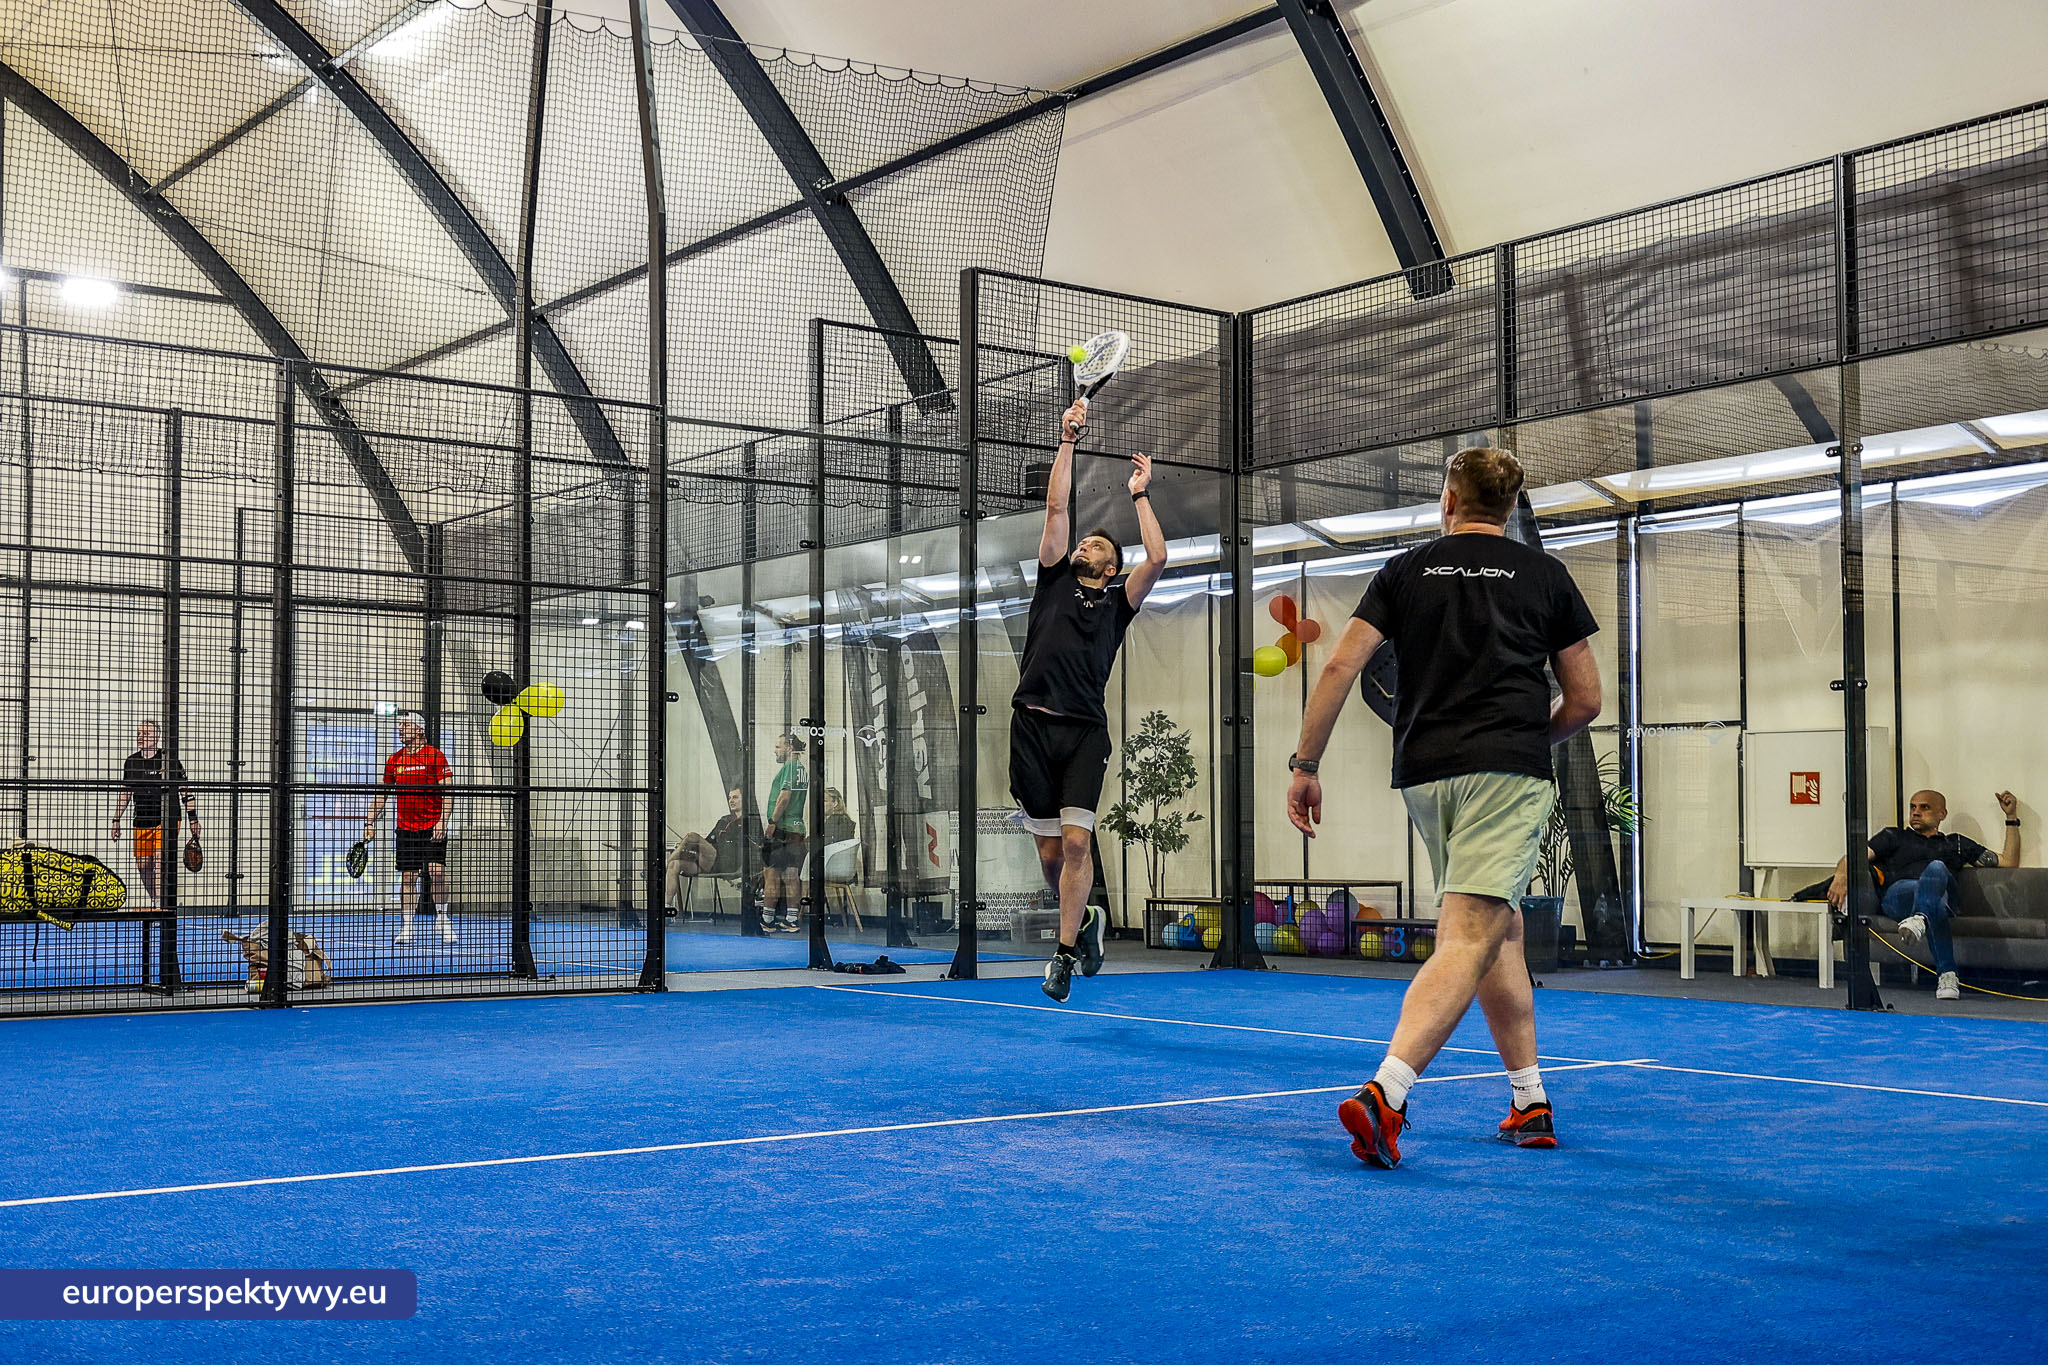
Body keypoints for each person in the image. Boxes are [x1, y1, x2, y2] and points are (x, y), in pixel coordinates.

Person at [1285, 447, 1602, 1169]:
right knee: (1470, 932)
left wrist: (1305, 766)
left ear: (1448, 501)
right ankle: (1386, 1096)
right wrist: (1529, 735)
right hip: (1505, 775)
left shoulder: (1406, 569)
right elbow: (1585, 700)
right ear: (1511, 506)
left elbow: (1340, 666)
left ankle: (1530, 1097)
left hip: (1426, 776)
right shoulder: (1547, 576)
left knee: (1502, 929)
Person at [1017, 396, 1168, 1003]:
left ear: (1112, 567)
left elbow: (1158, 557)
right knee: (1053, 858)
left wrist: (1139, 495)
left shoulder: (1117, 604)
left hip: (1083, 730)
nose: (1087, 544)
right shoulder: (1052, 578)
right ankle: (1085, 924)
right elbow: (1057, 505)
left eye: (1099, 545)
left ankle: (1062, 954)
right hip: (1030, 727)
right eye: (1084, 542)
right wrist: (1067, 440)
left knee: (1078, 844)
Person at [1827, 789, 2021, 1001]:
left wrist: (2011, 818)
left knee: (1937, 868)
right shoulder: (1893, 836)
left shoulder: (1956, 843)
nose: (1916, 812)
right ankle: (1947, 973)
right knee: (1933, 906)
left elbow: (2007, 861)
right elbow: (1855, 856)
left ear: (1942, 814)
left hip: (1946, 898)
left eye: (1924, 807)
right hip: (1900, 897)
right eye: (1913, 807)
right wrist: (1840, 875)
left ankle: (1920, 919)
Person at [364, 711, 455, 946]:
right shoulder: (394, 760)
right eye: (400, 725)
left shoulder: (435, 756)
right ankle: (407, 927)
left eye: (406, 725)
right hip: (406, 828)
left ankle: (443, 921)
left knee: (437, 873)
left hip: (433, 825)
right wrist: (369, 821)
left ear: (419, 730)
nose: (401, 729)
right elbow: (382, 794)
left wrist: (442, 822)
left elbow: (448, 792)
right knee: (408, 877)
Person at [110, 718, 199, 909]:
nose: (142, 737)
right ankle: (157, 900)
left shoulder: (170, 761)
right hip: (141, 820)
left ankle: (160, 906)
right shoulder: (131, 762)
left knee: (159, 861)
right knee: (143, 866)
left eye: (147, 734)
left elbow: (185, 791)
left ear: (157, 737)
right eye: (139, 734)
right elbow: (126, 792)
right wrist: (116, 819)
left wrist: (193, 819)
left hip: (166, 820)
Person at [666, 786, 754, 909]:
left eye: (735, 797)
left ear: (744, 799)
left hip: (729, 864)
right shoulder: (723, 820)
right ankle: (666, 906)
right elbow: (708, 841)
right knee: (674, 865)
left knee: (692, 836)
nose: (731, 801)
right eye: (729, 798)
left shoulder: (749, 822)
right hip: (710, 862)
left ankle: (664, 863)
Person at [762, 732, 809, 933]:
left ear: (790, 748)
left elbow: (784, 798)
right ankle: (791, 920)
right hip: (797, 830)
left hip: (782, 830)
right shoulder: (802, 771)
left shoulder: (789, 770)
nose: (775, 751)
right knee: (792, 875)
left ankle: (767, 920)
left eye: (778, 747)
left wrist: (772, 822)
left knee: (771, 874)